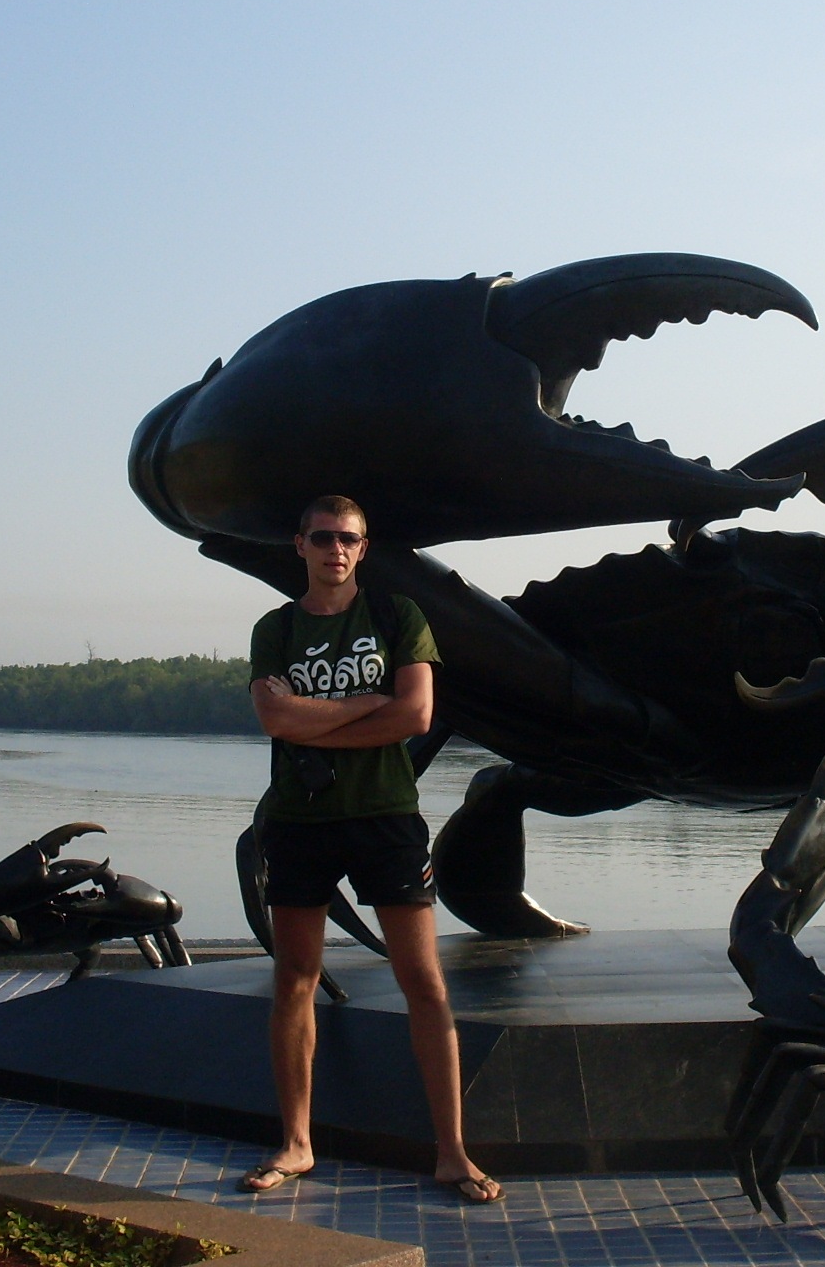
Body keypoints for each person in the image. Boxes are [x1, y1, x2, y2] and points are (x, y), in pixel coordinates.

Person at [240, 494, 503, 1204]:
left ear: (363, 548)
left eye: (348, 539)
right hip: (300, 820)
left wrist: (314, 719)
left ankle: (452, 1153)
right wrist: (364, 704)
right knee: (295, 979)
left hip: (387, 819)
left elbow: (415, 714)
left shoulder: (397, 617)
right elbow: (273, 717)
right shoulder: (276, 628)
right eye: (323, 537)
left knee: (425, 982)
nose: (336, 549)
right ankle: (297, 1144)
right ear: (300, 545)